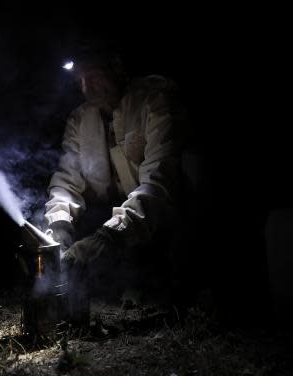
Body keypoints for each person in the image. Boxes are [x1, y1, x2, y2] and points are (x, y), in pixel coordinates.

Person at [45, 42, 193, 307]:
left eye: (92, 76)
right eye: (79, 79)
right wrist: (59, 225)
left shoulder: (155, 100)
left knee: (194, 170)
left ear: (116, 67)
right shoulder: (80, 120)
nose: (85, 88)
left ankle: (190, 280)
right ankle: (131, 282)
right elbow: (66, 181)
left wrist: (108, 236)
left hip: (173, 216)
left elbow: (160, 184)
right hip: (124, 222)